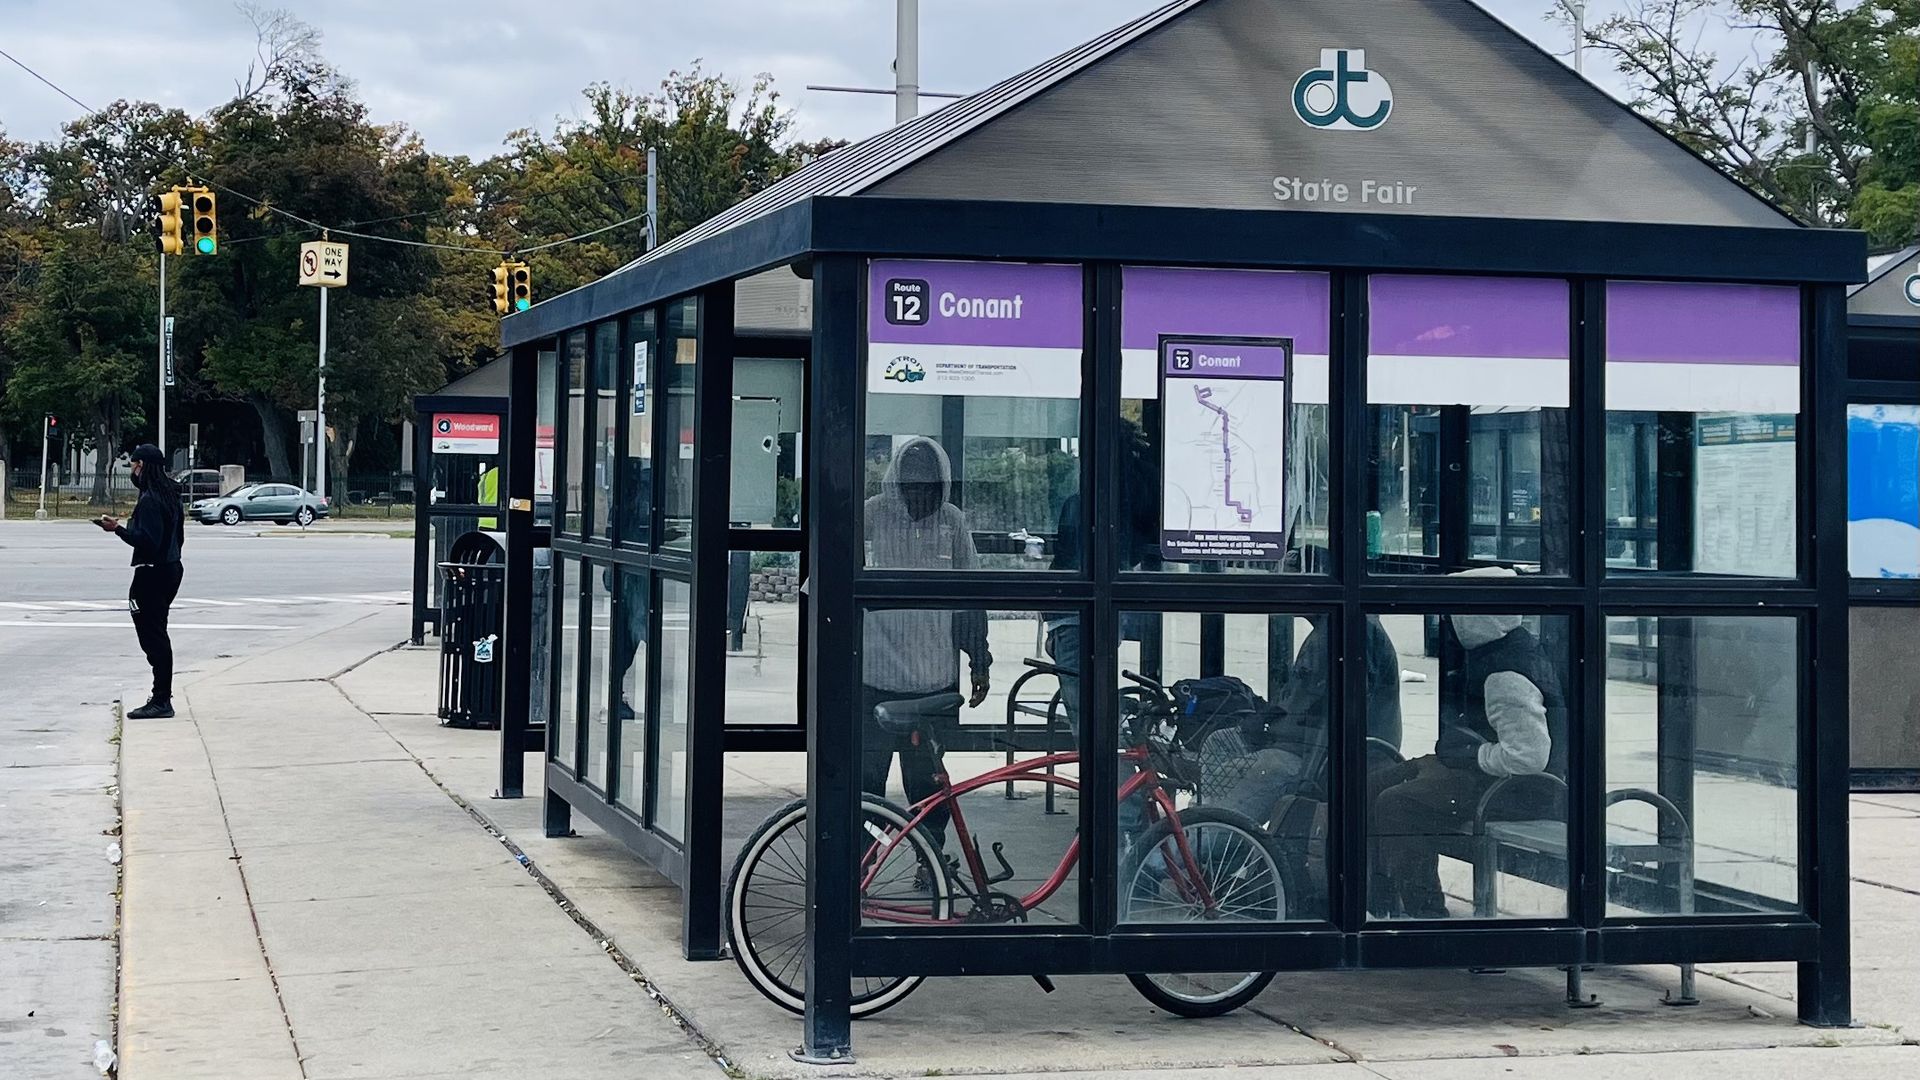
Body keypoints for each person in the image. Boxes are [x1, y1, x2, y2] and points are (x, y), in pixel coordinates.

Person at [1371, 575, 1567, 918]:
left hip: (1517, 792)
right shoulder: (1507, 651)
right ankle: (1379, 898)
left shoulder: (1505, 674)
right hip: (1493, 780)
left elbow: (1528, 757)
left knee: (1397, 803)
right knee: (1375, 784)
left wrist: (1471, 755)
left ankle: (1426, 914)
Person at [861, 437, 992, 849]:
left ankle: (929, 857)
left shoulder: (951, 522)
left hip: (934, 679)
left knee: (929, 786)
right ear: (896, 484)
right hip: (875, 674)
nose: (920, 495)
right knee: (867, 783)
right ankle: (862, 860)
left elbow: (971, 596)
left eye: (928, 487)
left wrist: (979, 662)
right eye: (912, 486)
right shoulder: (871, 515)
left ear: (942, 486)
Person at [97, 445, 185, 719]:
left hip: (152, 573)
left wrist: (118, 530)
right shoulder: (170, 495)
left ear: (142, 466)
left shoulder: (150, 500)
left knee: (152, 636)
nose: (132, 470)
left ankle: (161, 699)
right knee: (158, 631)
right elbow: (177, 537)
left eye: (133, 465)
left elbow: (147, 541)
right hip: (171, 568)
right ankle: (161, 695)